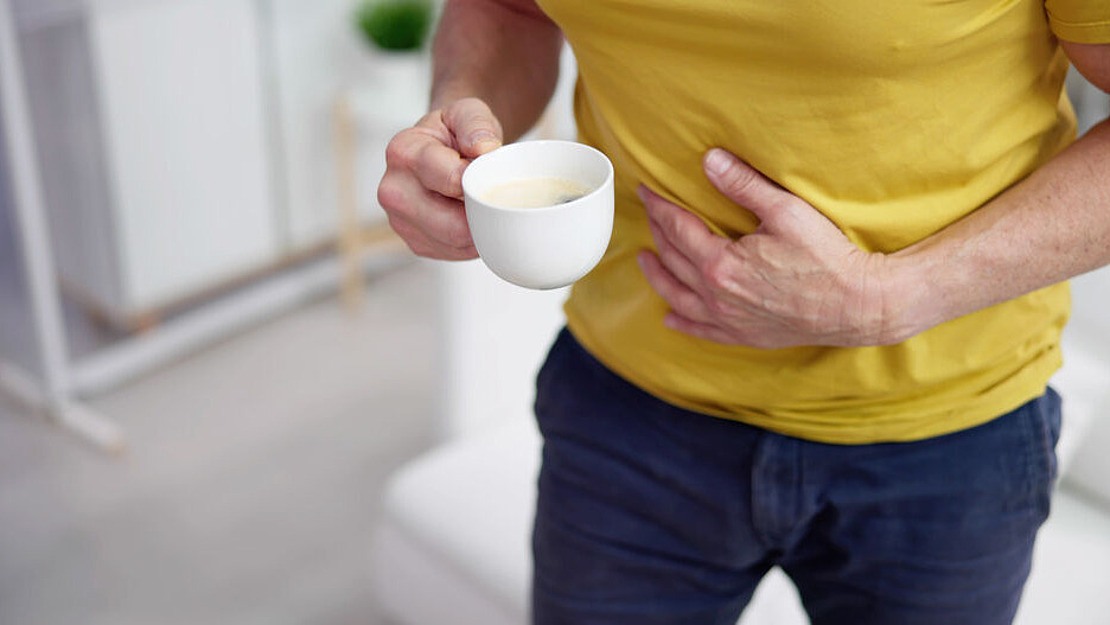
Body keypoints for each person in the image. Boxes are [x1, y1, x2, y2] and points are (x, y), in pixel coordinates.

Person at [377, 0, 1110, 623]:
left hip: (949, 434)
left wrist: (888, 296)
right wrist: (463, 132)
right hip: (628, 410)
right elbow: (508, 9)